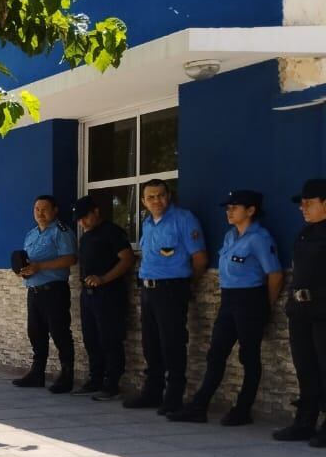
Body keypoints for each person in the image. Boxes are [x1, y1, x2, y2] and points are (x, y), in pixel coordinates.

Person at [168, 191, 283, 425]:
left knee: (248, 356)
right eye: (228, 208)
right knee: (216, 353)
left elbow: (275, 274)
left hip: (250, 300)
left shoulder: (259, 238)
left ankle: (243, 409)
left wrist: (266, 306)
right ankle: (199, 406)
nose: (229, 212)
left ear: (251, 210)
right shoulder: (231, 236)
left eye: (235, 207)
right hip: (229, 299)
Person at [124, 180, 208, 413]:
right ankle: (152, 391)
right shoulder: (147, 223)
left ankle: (174, 396)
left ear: (168, 196)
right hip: (148, 289)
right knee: (150, 343)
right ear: (143, 201)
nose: (156, 201)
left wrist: (187, 285)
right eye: (150, 197)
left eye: (160, 195)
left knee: (172, 343)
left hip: (171, 289)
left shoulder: (184, 219)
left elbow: (200, 258)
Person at [274, 179, 326, 445]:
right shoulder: (305, 233)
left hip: (323, 311)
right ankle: (305, 421)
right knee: (305, 367)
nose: (302, 208)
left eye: (308, 203)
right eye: (301, 203)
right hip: (301, 309)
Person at [12, 195, 78, 393]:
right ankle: (37, 373)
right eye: (37, 209)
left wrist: (40, 267)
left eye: (44, 209)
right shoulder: (31, 234)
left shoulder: (61, 231)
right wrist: (23, 271)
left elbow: (70, 259)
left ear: (55, 210)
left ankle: (66, 376)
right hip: (33, 291)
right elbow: (29, 261)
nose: (40, 213)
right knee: (35, 333)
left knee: (59, 333)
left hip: (54, 291)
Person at [73, 196, 133, 400]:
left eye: (85, 217)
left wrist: (104, 279)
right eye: (79, 219)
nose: (82, 222)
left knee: (110, 339)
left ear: (96, 211)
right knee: (91, 339)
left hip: (109, 294)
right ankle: (95, 379)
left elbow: (127, 259)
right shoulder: (86, 237)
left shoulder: (112, 232)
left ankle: (112, 383)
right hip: (88, 295)